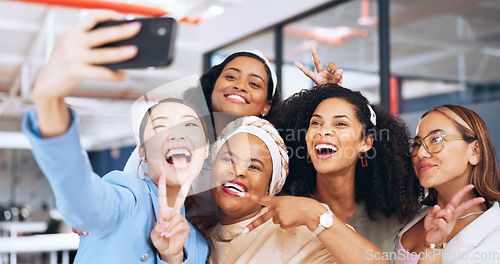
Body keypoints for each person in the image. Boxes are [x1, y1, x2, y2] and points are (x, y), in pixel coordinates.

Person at [22, 11, 209, 263]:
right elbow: (85, 203)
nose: (175, 135)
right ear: (142, 152)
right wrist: (48, 101)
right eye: (160, 127)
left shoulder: (200, 246)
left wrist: (172, 255)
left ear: (206, 149)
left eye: (188, 125)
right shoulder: (127, 198)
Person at [242, 84, 422, 264]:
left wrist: (316, 214)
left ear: (366, 142)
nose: (323, 131)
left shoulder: (393, 219)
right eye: (316, 123)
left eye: (340, 124)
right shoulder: (279, 206)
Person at [208, 116, 338, 263]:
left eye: (254, 167)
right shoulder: (201, 241)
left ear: (269, 187)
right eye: (228, 159)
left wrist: (315, 211)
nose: (239, 171)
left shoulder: (298, 233)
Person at [396, 105, 500, 264]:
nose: (421, 153)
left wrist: (434, 246)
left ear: (475, 151)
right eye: (417, 144)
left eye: (436, 139)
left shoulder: (494, 240)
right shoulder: (411, 214)